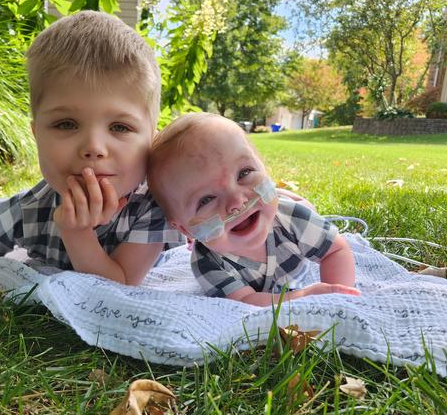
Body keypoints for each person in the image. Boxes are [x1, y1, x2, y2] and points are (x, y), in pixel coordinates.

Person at [0, 11, 184, 285]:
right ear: (36, 134)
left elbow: (120, 286)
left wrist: (76, 233)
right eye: (66, 124)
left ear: (151, 140)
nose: (94, 148)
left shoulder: (153, 207)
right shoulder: (33, 209)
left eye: (120, 127)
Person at [147, 113, 360, 306]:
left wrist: (336, 294)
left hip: (290, 236)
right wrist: (303, 298)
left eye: (244, 173)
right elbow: (246, 300)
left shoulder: (291, 217)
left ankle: (293, 196)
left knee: (299, 210)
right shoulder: (207, 262)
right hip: (274, 292)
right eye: (206, 199)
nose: (236, 202)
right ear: (184, 230)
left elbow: (335, 250)